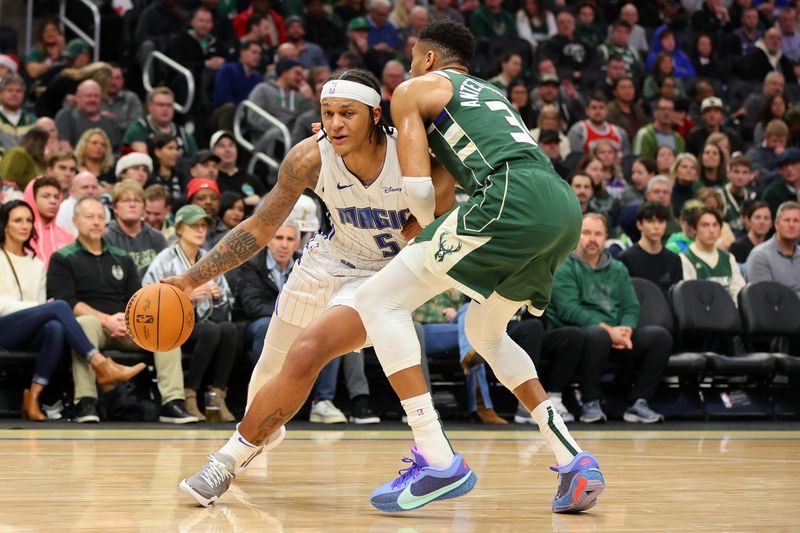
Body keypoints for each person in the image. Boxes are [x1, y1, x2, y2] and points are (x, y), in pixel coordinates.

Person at [173, 67, 478, 507]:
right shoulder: (307, 159)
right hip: (321, 264)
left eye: (347, 114)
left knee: (306, 354)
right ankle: (258, 434)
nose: (335, 123)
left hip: (379, 278)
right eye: (328, 112)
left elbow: (443, 206)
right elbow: (260, 228)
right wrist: (190, 279)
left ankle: (225, 461)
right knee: (266, 379)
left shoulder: (412, 155)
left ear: (376, 115)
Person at [352, 22, 601, 511]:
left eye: (411, 57)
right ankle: (572, 458)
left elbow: (421, 192)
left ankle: (437, 458)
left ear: (426, 59)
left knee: (377, 300)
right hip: (559, 204)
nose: (406, 67)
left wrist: (426, 234)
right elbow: (443, 190)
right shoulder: (487, 96)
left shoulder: (411, 90)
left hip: (511, 197)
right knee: (485, 333)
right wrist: (431, 232)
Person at [47, 196, 196, 424]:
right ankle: (86, 402)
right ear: (75, 221)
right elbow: (66, 302)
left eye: (100, 217)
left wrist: (130, 320)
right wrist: (106, 319)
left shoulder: (122, 257)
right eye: (89, 217)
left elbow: (138, 298)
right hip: (94, 325)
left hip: (127, 326)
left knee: (164, 330)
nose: (96, 222)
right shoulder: (63, 257)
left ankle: (172, 402)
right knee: (83, 324)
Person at [0, 200, 145, 420]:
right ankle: (102, 366)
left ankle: (33, 398)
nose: (25, 225)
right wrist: (40, 310)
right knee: (58, 306)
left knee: (56, 328)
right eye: (18, 220)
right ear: (4, 226)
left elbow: (41, 308)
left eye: (29, 220)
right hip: (4, 326)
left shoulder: (36, 263)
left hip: (27, 327)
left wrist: (40, 310)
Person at [549, 213, 671, 424]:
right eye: (586, 233)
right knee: (597, 335)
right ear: (576, 236)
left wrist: (626, 329)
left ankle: (639, 403)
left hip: (618, 337)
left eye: (598, 234)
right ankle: (590, 401)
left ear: (606, 237)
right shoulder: (564, 265)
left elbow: (631, 306)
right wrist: (608, 330)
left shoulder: (618, 268)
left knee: (660, 337)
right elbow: (569, 309)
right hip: (580, 336)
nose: (592, 239)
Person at [143, 204, 238, 422]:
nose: (200, 230)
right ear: (179, 230)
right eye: (194, 225)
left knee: (231, 330)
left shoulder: (210, 258)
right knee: (211, 330)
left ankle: (217, 396)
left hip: (203, 322)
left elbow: (229, 299)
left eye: (203, 225)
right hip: (171, 325)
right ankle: (190, 394)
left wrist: (217, 295)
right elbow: (146, 299)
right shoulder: (164, 259)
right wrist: (185, 298)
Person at [679, 207, 745, 302]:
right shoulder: (685, 258)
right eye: (705, 225)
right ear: (694, 229)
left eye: (715, 225)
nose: (711, 230)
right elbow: (689, 297)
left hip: (728, 313)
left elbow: (738, 293)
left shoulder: (728, 258)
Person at [618, 201, 683, 298]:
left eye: (661, 221)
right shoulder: (625, 259)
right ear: (639, 225)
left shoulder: (674, 260)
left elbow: (678, 298)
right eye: (650, 221)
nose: (656, 227)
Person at [104, 181, 168, 278]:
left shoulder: (157, 238)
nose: (132, 205)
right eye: (126, 201)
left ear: (144, 208)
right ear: (115, 207)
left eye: (137, 201)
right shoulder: (105, 238)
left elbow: (167, 271)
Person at [746, 201, 800, 296]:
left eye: (796, 221)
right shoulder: (760, 255)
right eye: (787, 220)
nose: (792, 225)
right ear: (776, 224)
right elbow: (764, 299)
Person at [21, 177, 75, 270]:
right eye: (46, 196)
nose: (53, 201)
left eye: (57, 197)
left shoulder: (69, 238)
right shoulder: (20, 234)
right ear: (32, 199)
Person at [730, 200, 772, 265]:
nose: (762, 222)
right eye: (757, 217)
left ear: (771, 223)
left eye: (766, 218)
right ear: (749, 221)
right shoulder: (737, 247)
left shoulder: (774, 246)